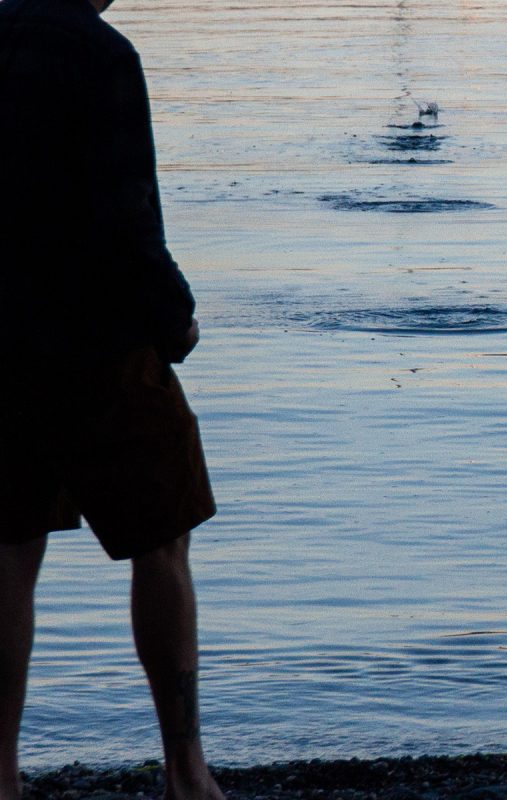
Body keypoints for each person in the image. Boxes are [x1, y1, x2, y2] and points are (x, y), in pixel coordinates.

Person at [0, 0, 224, 797]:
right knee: (162, 541)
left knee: (8, 552)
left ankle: (0, 775)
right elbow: (126, 214)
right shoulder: (97, 53)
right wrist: (174, 320)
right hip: (100, 346)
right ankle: (187, 774)